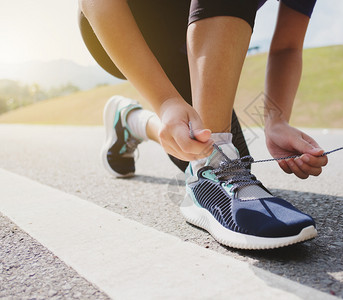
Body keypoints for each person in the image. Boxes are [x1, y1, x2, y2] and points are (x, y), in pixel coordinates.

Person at [78, 0, 328, 250]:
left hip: (198, 41)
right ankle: (205, 179)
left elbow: (287, 47)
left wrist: (277, 121)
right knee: (213, 161)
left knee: (212, 152)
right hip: (128, 22)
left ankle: (130, 120)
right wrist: (165, 102)